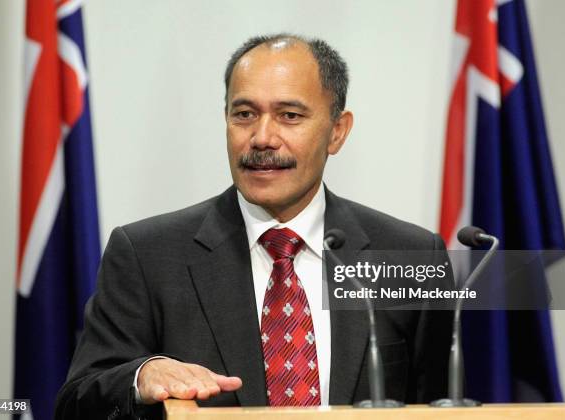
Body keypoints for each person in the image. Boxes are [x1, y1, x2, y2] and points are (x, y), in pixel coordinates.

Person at [55, 34, 452, 420]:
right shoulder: (147, 255)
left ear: (337, 131)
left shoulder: (410, 254)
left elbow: (444, 406)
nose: (262, 138)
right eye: (244, 114)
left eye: (289, 116)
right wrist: (139, 378)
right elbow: (77, 403)